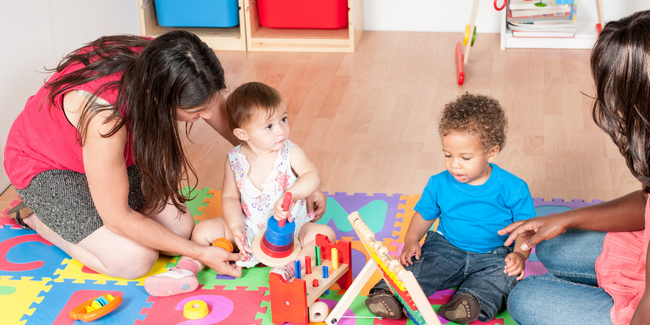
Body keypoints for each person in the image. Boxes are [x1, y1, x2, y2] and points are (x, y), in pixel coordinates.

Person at [3, 31, 327, 280]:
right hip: (47, 167)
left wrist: (296, 176)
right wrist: (202, 254)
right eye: (195, 112)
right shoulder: (105, 115)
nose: (205, 116)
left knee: (178, 229)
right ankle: (40, 218)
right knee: (133, 261)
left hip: (110, 160)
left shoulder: (170, 60)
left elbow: (235, 124)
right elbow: (118, 218)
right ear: (158, 98)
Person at [499, 10, 650, 325]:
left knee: (525, 299)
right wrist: (568, 219)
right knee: (544, 226)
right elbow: (647, 203)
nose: (613, 107)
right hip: (641, 258)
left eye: (617, 93)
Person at [144, 82, 336, 297]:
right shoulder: (235, 159)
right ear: (243, 134)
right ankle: (186, 270)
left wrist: (293, 196)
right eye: (269, 126)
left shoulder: (290, 152)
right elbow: (229, 197)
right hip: (249, 228)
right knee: (202, 231)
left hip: (293, 232)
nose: (281, 130)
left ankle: (289, 270)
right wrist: (236, 227)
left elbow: (312, 175)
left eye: (283, 119)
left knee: (324, 235)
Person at [364, 93, 536, 324]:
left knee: (504, 276)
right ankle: (389, 295)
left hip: (495, 254)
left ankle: (470, 301)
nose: (454, 164)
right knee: (421, 268)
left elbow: (525, 229)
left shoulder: (513, 188)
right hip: (446, 247)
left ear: (491, 153)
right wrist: (411, 239)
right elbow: (424, 214)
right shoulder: (439, 183)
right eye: (448, 155)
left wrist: (519, 255)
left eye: (465, 157)